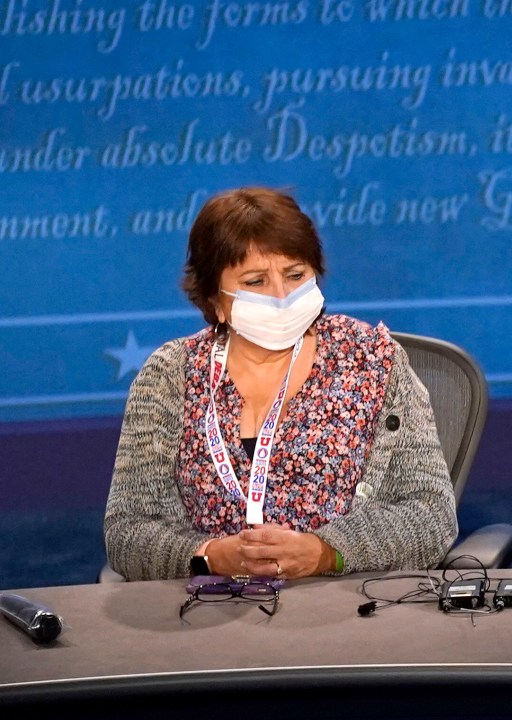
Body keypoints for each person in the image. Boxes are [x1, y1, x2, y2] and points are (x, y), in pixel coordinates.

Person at [102, 187, 456, 581]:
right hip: (210, 613)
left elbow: (432, 515)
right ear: (214, 300)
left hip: (344, 611)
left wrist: (327, 552)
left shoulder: (372, 359)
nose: (282, 296)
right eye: (255, 281)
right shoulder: (171, 376)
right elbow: (127, 531)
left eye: (295, 275)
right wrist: (209, 556)